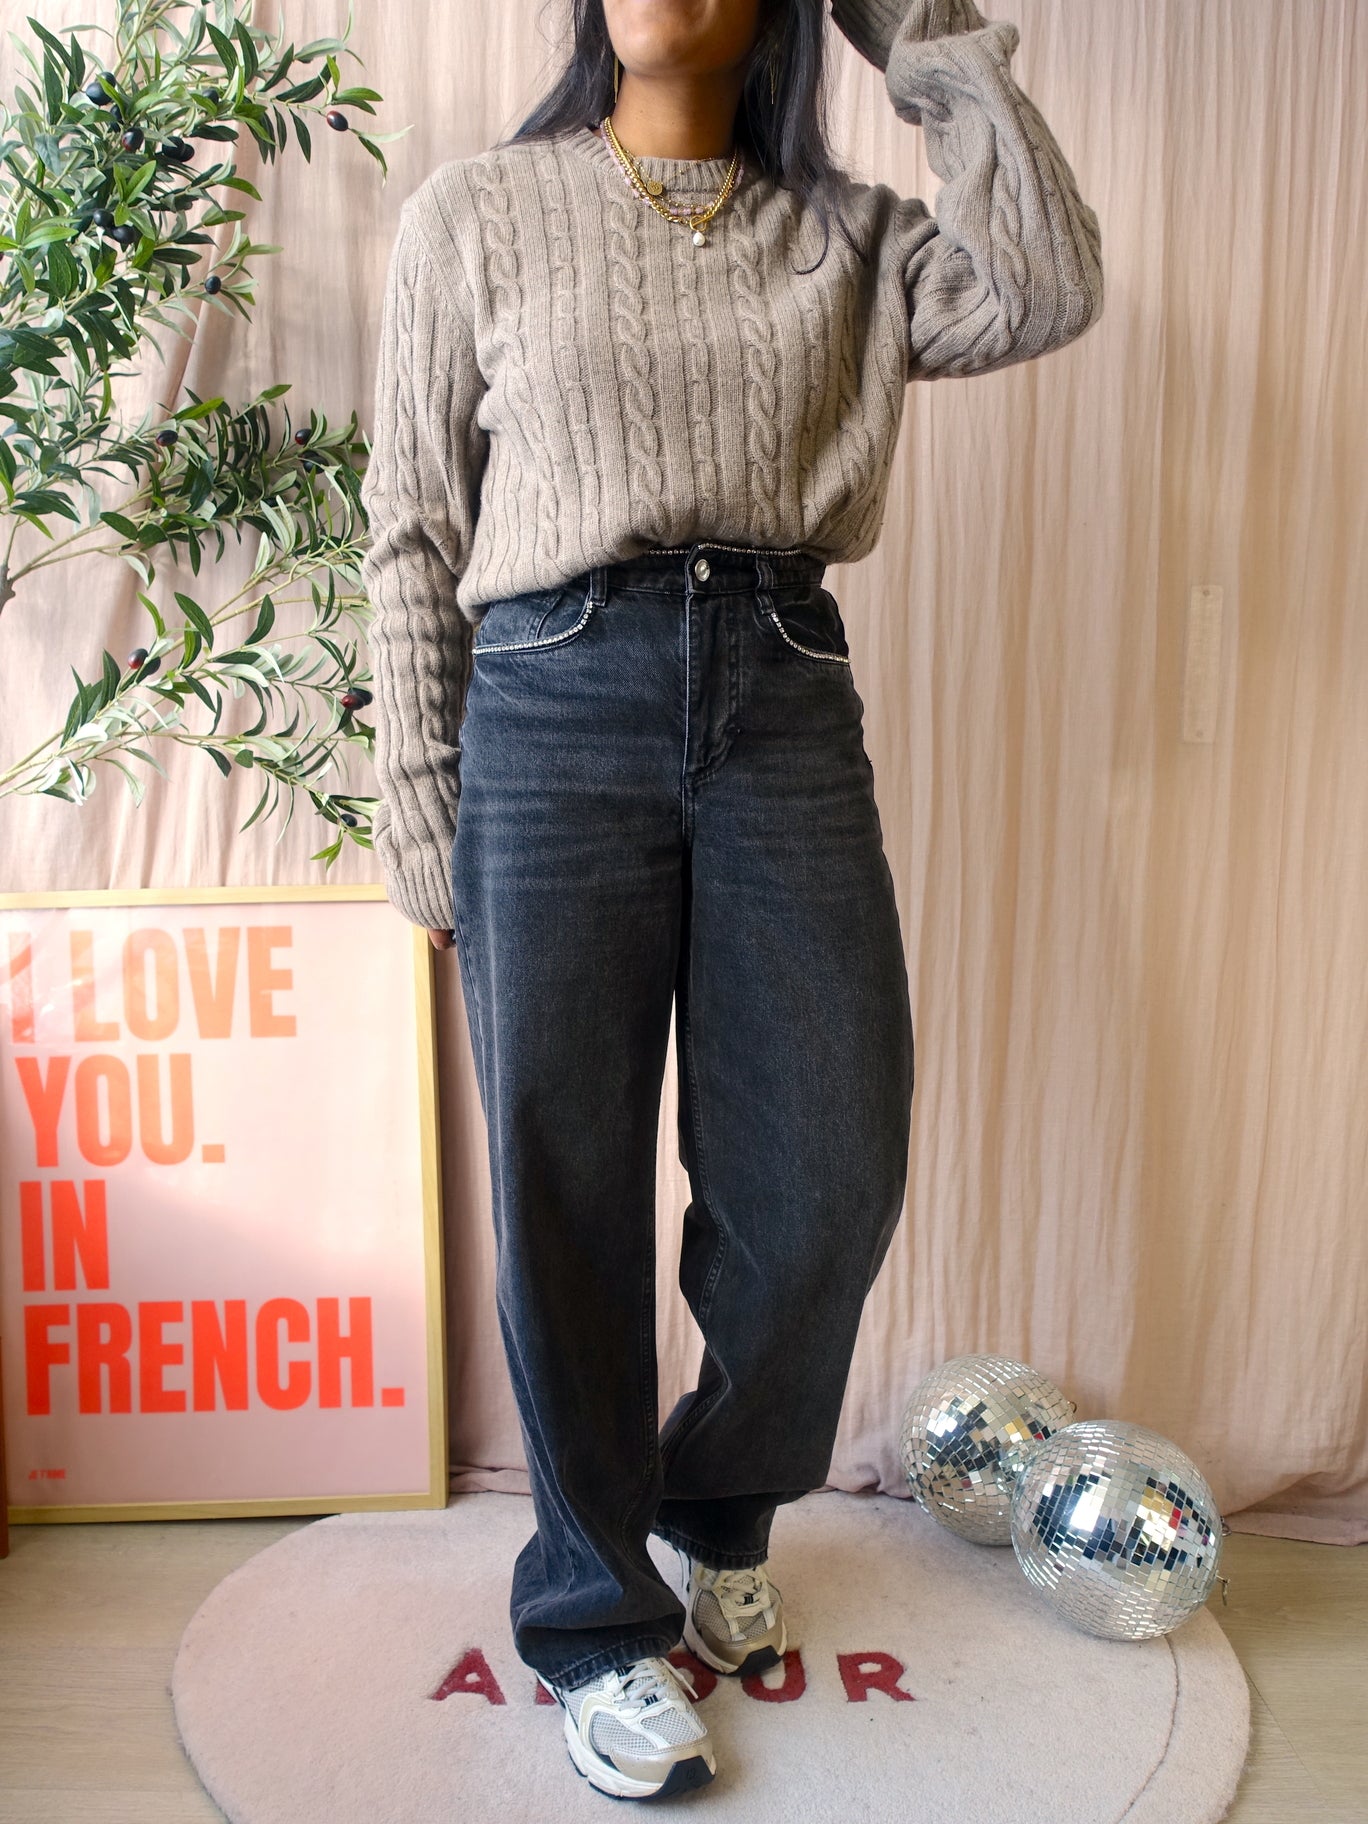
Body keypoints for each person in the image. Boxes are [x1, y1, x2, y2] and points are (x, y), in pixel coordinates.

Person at [360, 0, 1102, 1801]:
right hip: (550, 700)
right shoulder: (478, 212)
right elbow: (412, 522)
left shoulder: (850, 237)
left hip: (780, 689)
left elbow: (1048, 284)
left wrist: (924, 35)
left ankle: (716, 1503)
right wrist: (420, 797)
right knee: (566, 1186)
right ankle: (592, 1615)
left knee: (829, 1172)